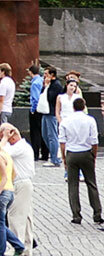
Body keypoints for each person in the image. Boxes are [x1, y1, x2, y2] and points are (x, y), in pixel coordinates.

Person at [58, 95, 101, 226]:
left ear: (73, 107)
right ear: (84, 106)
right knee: (91, 183)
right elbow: (94, 141)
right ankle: (97, 213)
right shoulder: (90, 120)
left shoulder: (66, 121)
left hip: (72, 153)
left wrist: (64, 158)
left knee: (73, 185)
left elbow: (62, 142)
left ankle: (76, 215)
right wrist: (93, 155)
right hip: (86, 152)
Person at [0, 123, 36, 252]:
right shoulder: (19, 146)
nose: (1, 139)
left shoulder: (20, 147)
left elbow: (0, 153)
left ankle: (16, 248)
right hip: (23, 184)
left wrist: (4, 138)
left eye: (2, 136)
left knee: (15, 217)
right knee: (26, 218)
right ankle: (26, 248)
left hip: (20, 184)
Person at [40, 67, 64, 168]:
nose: (44, 76)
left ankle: (55, 159)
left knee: (52, 136)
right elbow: (42, 94)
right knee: (45, 134)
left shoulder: (56, 85)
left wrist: (46, 86)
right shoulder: (49, 84)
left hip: (52, 113)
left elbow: (50, 98)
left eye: (46, 74)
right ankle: (54, 155)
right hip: (46, 112)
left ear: (52, 75)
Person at [26, 64, 47, 161]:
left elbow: (35, 98)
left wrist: (33, 110)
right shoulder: (42, 80)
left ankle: (35, 154)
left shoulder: (34, 83)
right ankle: (44, 153)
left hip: (37, 110)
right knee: (42, 131)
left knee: (35, 133)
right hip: (43, 109)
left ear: (30, 72)